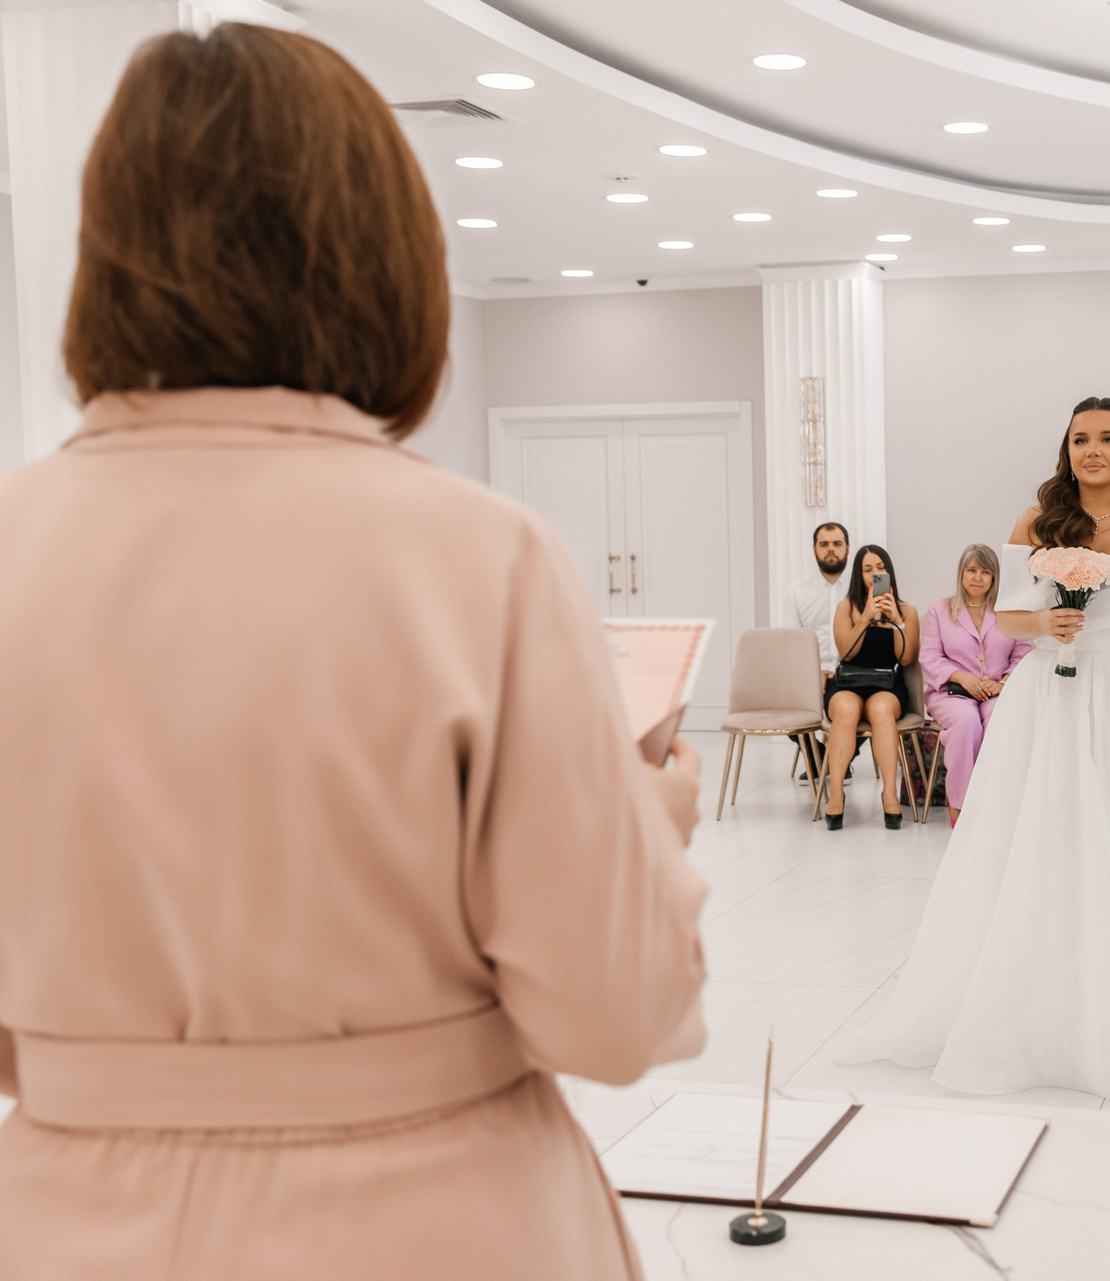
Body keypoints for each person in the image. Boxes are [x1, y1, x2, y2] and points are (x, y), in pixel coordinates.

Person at [0, 25, 708, 1279]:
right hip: (439, 1220)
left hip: (69, 1224)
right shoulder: (481, 557)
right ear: (383, 253)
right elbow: (611, 1016)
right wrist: (647, 826)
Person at [837, 397, 1110, 1104]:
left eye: (1107, 438)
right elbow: (1008, 615)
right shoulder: (1036, 521)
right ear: (1067, 450)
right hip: (1051, 695)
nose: (1092, 450)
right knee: (1047, 834)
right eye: (1079, 439)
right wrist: (1046, 622)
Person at [919, 545, 1032, 827]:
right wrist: (961, 677)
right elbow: (930, 657)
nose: (977, 577)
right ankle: (960, 807)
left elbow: (1023, 652)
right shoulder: (940, 611)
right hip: (951, 693)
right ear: (961, 573)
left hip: (995, 692)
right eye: (971, 570)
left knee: (998, 719)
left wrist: (1004, 682)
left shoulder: (1008, 612)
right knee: (966, 723)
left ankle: (997, 805)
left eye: (985, 572)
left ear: (995, 577)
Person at [823, 545, 921, 830]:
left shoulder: (907, 611)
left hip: (887, 684)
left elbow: (906, 658)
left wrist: (897, 621)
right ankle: (837, 791)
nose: (874, 574)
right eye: (868, 570)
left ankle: (889, 791)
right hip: (848, 682)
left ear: (889, 573)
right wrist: (866, 617)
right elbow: (846, 653)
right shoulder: (846, 608)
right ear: (859, 575)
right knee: (845, 708)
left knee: (880, 709)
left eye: (880, 568)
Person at [787, 521, 852, 683]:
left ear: (848, 548)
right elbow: (790, 643)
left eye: (837, 544)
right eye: (824, 544)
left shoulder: (862, 589)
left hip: (853, 674)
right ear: (814, 549)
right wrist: (812, 673)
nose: (831, 549)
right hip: (809, 675)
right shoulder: (797, 592)